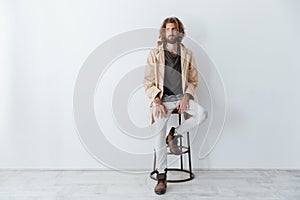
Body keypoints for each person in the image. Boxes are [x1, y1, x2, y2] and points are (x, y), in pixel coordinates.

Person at [144, 17, 208, 195]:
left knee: (202, 114)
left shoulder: (188, 54)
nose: (171, 32)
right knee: (158, 134)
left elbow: (193, 80)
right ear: (163, 32)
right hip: (162, 101)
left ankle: (174, 133)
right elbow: (148, 83)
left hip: (182, 99)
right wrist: (157, 100)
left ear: (180, 32)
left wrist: (187, 96)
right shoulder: (154, 54)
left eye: (174, 29)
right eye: (168, 29)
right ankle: (161, 176)